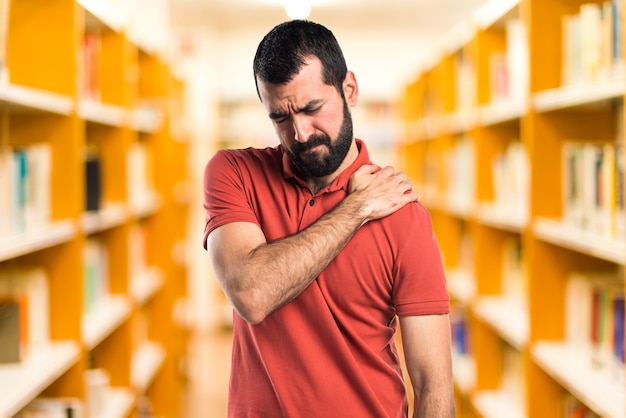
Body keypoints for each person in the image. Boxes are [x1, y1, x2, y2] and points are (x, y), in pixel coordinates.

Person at [203, 19, 455, 418]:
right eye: (280, 117)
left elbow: (434, 390)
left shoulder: (404, 216)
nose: (300, 133)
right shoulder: (234, 174)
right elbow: (251, 293)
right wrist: (356, 209)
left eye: (311, 108)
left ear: (349, 89)